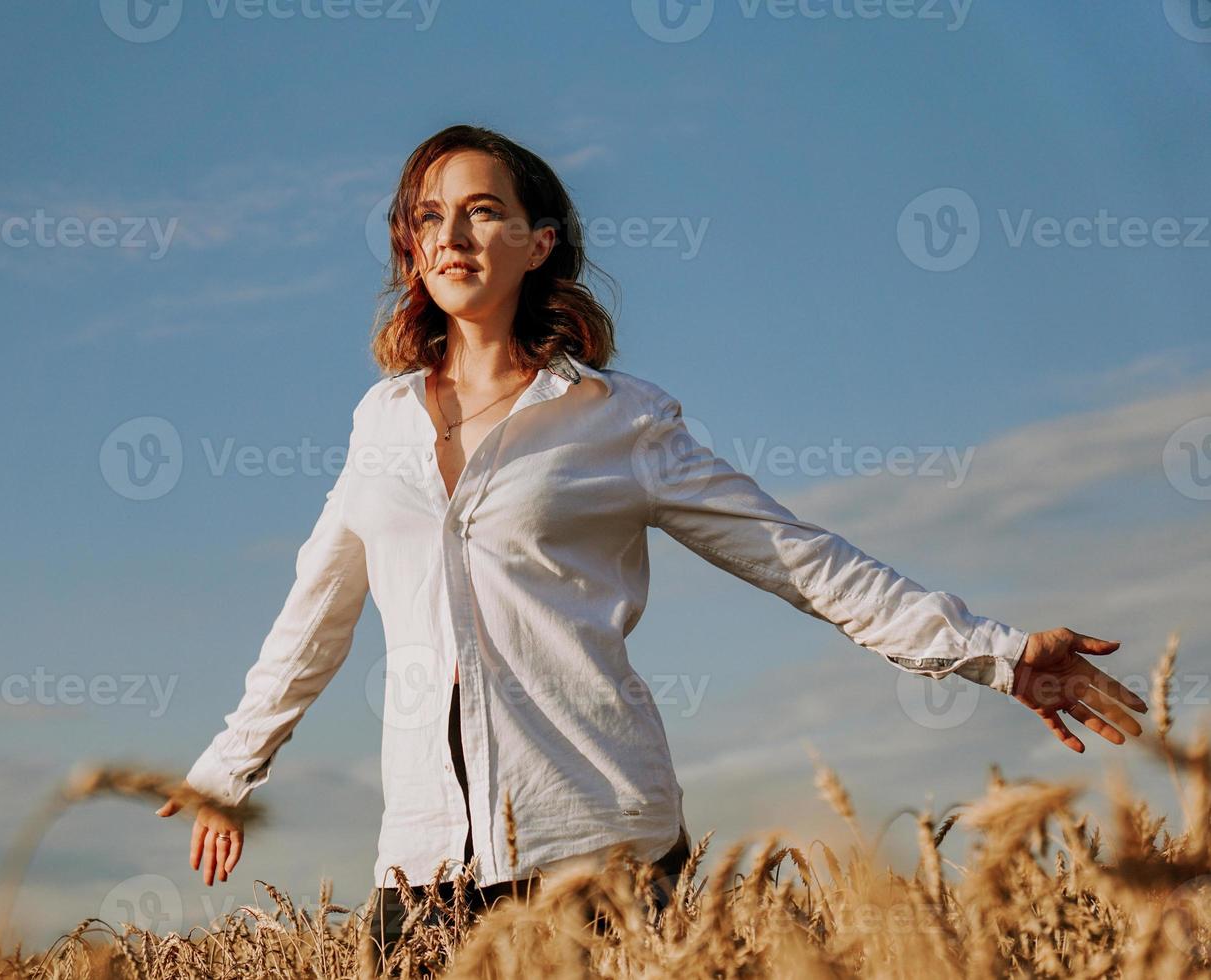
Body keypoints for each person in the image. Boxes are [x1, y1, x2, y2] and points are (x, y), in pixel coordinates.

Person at [157, 124, 1148, 961]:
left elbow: (795, 555)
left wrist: (1000, 652)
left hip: (598, 846)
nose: (450, 232)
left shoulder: (618, 419)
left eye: (481, 209)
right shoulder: (380, 425)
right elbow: (315, 610)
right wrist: (227, 767)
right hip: (423, 872)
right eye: (427, 215)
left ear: (539, 241)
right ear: (409, 248)